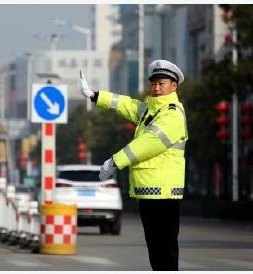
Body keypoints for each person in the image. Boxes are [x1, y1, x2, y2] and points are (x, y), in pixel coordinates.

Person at [79, 59, 188, 271]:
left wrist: (115, 161)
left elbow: (149, 142)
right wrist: (95, 96)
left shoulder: (172, 113)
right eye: (153, 83)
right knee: (156, 249)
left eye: (162, 83)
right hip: (149, 191)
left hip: (164, 192)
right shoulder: (150, 110)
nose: (156, 88)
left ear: (174, 86)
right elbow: (127, 104)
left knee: (164, 250)